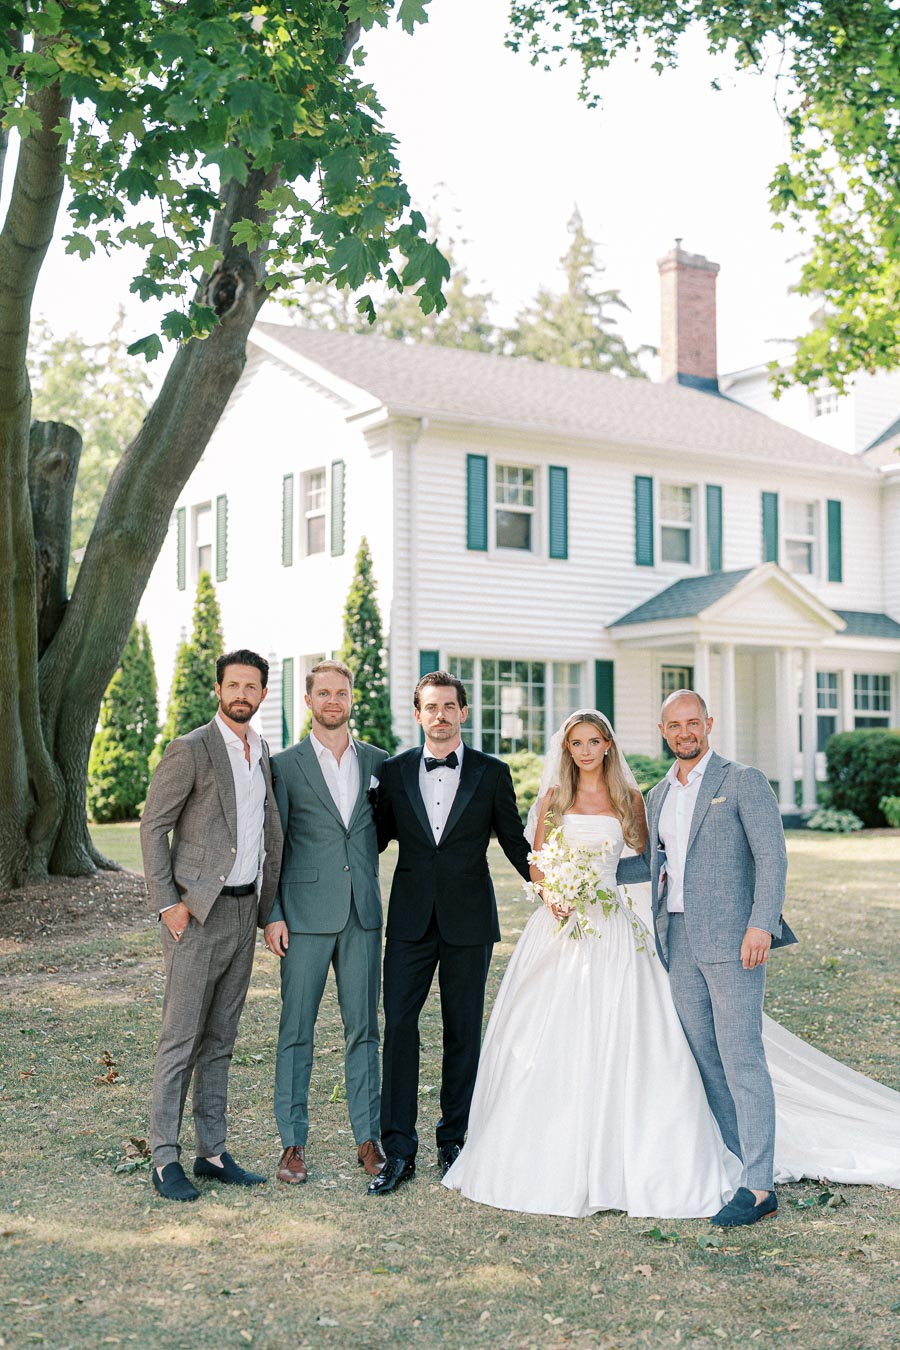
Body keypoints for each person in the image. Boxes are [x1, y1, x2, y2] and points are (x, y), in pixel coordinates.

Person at [443, 705, 900, 1220]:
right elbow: (636, 863)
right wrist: (568, 886)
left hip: (726, 939)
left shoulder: (736, 782)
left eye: (692, 723)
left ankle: (757, 1185)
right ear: (662, 733)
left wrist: (761, 925)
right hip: (658, 939)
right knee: (699, 1053)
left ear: (708, 724)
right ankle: (735, 1154)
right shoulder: (657, 795)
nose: (684, 732)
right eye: (674, 725)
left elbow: (772, 856)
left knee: (739, 1054)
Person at [368, 671, 532, 1196]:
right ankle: (398, 1149)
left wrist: (555, 889)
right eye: (430, 707)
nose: (439, 715)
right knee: (399, 1029)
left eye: (448, 707)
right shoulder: (391, 774)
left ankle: (454, 1139)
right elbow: (369, 841)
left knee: (464, 1030)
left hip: (469, 921)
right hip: (410, 922)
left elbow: (515, 843)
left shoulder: (491, 773)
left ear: (463, 713)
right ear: (417, 714)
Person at [142, 650, 283, 1202]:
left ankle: (212, 1151)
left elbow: (266, 834)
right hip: (196, 914)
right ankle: (163, 1158)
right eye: (233, 685)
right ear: (218, 690)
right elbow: (153, 826)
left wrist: (268, 910)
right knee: (181, 1037)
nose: (242, 694)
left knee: (221, 1038)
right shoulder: (192, 749)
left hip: (245, 911)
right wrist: (168, 904)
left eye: (252, 686)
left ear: (263, 694)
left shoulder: (261, 751)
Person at [264, 660, 388, 1184]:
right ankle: (292, 1144)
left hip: (362, 915)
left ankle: (369, 1139)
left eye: (341, 693)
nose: (333, 701)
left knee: (365, 1030)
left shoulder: (381, 762)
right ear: (309, 700)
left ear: (350, 699)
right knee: (296, 1031)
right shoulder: (287, 766)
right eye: (323, 693)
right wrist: (272, 914)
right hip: (305, 918)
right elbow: (274, 844)